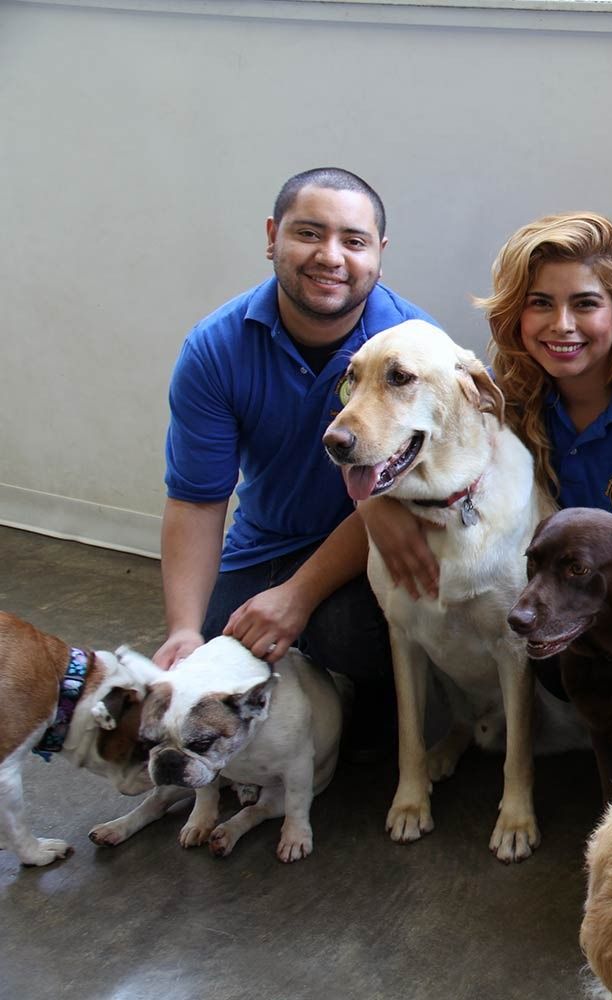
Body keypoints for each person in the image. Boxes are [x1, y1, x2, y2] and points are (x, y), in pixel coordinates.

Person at [368, 212, 612, 729]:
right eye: (540, 304)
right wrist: (374, 504)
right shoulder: (515, 397)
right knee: (551, 663)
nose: (562, 325)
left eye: (585, 303)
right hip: (583, 611)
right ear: (516, 315)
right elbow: (420, 450)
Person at [154, 167, 435, 755]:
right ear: (272, 236)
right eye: (309, 233)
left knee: (351, 637)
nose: (330, 257)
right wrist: (183, 627)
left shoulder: (415, 348)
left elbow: (407, 497)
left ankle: (365, 693)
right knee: (208, 658)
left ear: (379, 255)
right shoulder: (214, 348)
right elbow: (197, 498)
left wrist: (299, 595)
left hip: (371, 547)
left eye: (353, 241)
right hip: (263, 544)